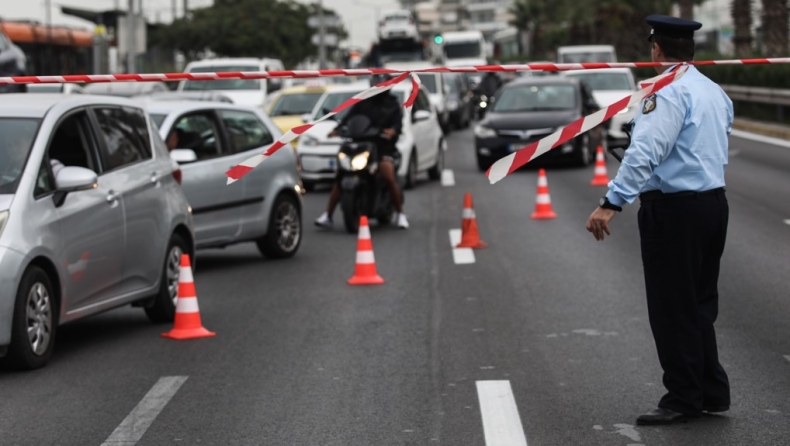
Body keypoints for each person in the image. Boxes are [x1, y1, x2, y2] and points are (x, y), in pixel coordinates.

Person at [585, 15, 733, 426]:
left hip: (674, 210)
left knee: (672, 306)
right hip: (712, 204)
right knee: (700, 304)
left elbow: (645, 151)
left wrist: (611, 202)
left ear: (656, 49)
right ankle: (710, 390)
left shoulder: (664, 93)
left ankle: (683, 397)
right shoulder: (714, 90)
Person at [315, 74, 409, 229]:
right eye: (376, 85)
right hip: (359, 147)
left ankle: (400, 214)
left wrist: (392, 131)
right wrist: (338, 129)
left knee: (387, 175)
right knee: (341, 175)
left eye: (382, 85)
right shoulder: (362, 102)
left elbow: (398, 125)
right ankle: (328, 215)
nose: (378, 88)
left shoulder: (393, 105)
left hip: (383, 149)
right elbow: (348, 118)